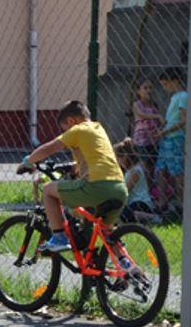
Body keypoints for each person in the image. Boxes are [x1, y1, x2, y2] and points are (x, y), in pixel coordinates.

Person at [21, 100, 127, 255]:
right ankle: (130, 271)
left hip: (96, 187)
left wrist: (28, 162)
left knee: (49, 190)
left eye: (65, 129)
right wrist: (73, 167)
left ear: (71, 121)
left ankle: (59, 237)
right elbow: (92, 159)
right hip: (119, 188)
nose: (66, 133)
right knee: (107, 234)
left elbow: (49, 148)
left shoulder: (77, 130)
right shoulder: (98, 129)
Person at [153, 66, 188, 212]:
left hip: (175, 138)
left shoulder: (184, 96)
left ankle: (181, 203)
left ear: (175, 81)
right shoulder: (175, 97)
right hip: (166, 137)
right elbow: (172, 119)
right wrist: (162, 129)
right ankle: (162, 203)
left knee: (177, 171)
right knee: (161, 169)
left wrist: (165, 131)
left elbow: (183, 120)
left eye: (166, 84)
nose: (165, 88)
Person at [114, 137, 160, 225]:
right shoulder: (129, 171)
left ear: (125, 157)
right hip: (132, 203)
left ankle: (153, 217)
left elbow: (125, 191)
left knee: (124, 215)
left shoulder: (135, 171)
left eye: (118, 159)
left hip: (141, 203)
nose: (118, 162)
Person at [130, 78, 161, 173]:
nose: (148, 90)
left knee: (153, 165)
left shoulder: (154, 104)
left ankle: (151, 185)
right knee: (144, 165)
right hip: (141, 140)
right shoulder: (137, 104)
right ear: (138, 91)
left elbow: (157, 122)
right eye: (145, 88)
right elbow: (142, 115)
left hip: (153, 139)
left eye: (150, 88)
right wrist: (157, 116)